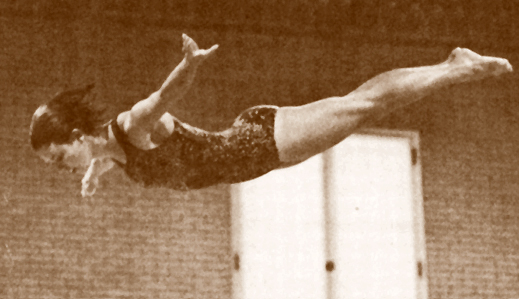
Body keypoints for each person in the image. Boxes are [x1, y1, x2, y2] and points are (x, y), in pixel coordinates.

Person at [29, 34, 513, 197]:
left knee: (362, 105)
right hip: (260, 154)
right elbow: (110, 156)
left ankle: (455, 68)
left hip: (260, 140)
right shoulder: (109, 151)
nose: (60, 168)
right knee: (359, 107)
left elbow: (162, 98)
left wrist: (188, 66)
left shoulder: (132, 125)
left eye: (57, 158)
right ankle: (451, 67)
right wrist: (95, 167)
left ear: (76, 135)